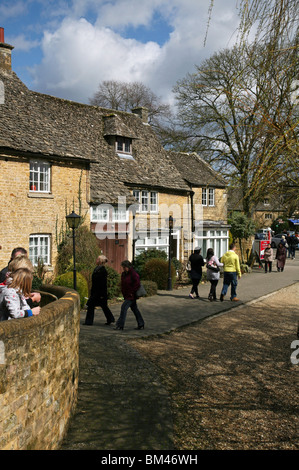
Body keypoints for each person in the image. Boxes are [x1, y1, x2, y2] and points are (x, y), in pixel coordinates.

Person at [84, 255, 115, 326]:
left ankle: (89, 321)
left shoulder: (103, 270)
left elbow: (102, 283)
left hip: (100, 292)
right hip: (96, 291)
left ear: (100, 261)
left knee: (99, 305)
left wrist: (101, 294)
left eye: (97, 259)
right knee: (97, 306)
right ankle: (110, 319)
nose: (96, 260)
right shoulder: (97, 269)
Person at [114, 260, 144, 331]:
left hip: (131, 295)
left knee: (123, 308)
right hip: (127, 294)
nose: (123, 268)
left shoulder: (133, 274)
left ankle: (120, 325)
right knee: (135, 309)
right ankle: (141, 323)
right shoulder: (124, 274)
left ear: (128, 267)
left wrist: (132, 292)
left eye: (124, 267)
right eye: (123, 267)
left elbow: (137, 284)